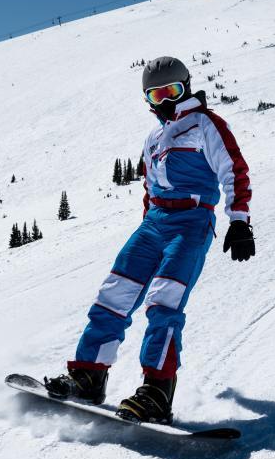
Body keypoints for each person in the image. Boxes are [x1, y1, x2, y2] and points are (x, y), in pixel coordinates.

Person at [45, 56, 255, 424]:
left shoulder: (206, 124)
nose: (166, 101)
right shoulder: (155, 137)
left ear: (186, 87)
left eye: (172, 91)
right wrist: (147, 225)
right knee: (114, 295)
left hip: (191, 220)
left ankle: (157, 391)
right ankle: (89, 375)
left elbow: (234, 171)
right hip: (154, 222)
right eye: (157, 95)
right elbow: (150, 186)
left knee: (163, 301)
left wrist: (238, 220)